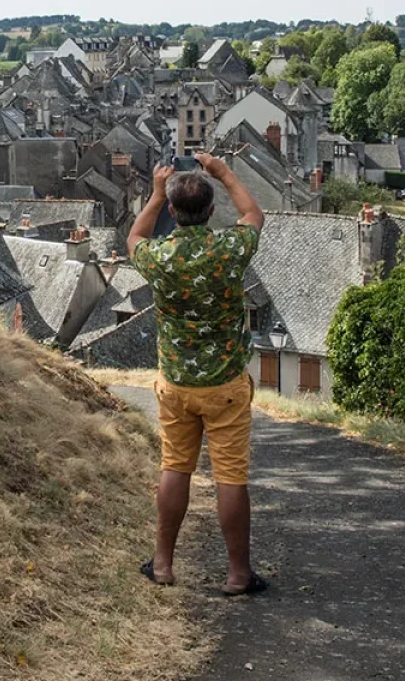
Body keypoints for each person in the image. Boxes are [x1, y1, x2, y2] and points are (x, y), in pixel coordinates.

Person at [128, 152, 268, 596]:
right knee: (230, 475)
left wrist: (155, 192)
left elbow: (134, 234)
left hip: (176, 383)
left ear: (173, 212)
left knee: (175, 467)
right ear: (210, 212)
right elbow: (252, 213)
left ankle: (164, 564)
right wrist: (224, 173)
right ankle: (237, 574)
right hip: (225, 382)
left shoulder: (158, 257)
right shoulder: (229, 249)